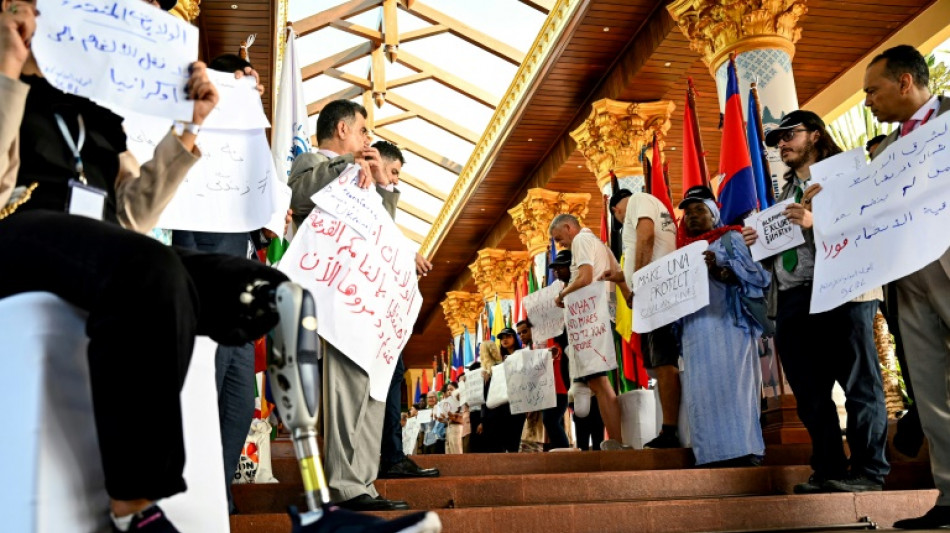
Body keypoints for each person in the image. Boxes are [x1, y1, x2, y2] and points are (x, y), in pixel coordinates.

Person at [0, 1, 319, 531]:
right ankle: (134, 506)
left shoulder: (94, 110)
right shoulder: (6, 82)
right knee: (150, 271)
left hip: (103, 249)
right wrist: (8, 68)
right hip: (18, 236)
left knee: (271, 292)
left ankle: (318, 503)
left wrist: (188, 128)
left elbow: (131, 214)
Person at [742, 109, 889, 494]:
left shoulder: (848, 174)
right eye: (776, 141)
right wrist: (760, 244)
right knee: (809, 392)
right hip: (792, 298)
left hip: (843, 288)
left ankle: (869, 472)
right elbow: (782, 248)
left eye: (790, 135)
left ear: (816, 135)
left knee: (859, 383)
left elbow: (870, 223)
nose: (782, 144)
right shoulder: (784, 193)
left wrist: (814, 223)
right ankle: (828, 468)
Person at [287, 101, 409, 511]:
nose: (367, 139)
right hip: (332, 297)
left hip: (366, 297)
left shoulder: (363, 176)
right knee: (343, 393)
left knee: (370, 389)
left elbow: (383, 231)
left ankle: (364, 481)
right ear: (342, 129)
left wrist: (382, 183)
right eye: (362, 131)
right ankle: (345, 485)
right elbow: (299, 197)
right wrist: (347, 165)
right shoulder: (310, 161)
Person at [862, 44, 950, 529]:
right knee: (931, 391)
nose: (868, 103)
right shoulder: (885, 153)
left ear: (904, 82)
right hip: (907, 281)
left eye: (872, 90)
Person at [673, 188, 769, 467]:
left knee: (735, 390)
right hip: (694, 332)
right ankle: (710, 456)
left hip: (730, 328)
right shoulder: (681, 255)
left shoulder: (732, 239)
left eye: (698, 210)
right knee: (701, 395)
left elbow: (760, 277)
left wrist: (723, 270)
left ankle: (746, 450)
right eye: (687, 213)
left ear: (713, 214)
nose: (691, 217)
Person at [375, 140, 438, 480]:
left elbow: (384, 237)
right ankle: (386, 457)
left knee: (394, 378)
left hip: (384, 316)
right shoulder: (354, 193)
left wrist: (406, 254)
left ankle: (392, 455)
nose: (396, 181)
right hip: (364, 313)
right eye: (394, 171)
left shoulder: (377, 202)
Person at [608, 188, 681, 449]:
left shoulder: (639, 201)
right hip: (657, 292)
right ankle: (669, 427)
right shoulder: (652, 203)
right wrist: (622, 277)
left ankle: (670, 430)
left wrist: (636, 281)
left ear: (617, 211)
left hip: (656, 293)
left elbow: (647, 236)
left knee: (663, 362)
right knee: (660, 363)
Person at [549, 213, 623, 450]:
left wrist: (562, 294)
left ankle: (618, 442)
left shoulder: (581, 240)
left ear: (569, 227)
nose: (561, 244)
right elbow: (617, 272)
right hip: (602, 316)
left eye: (559, 238)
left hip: (592, 320)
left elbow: (585, 276)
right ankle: (616, 441)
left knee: (600, 385)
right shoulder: (598, 243)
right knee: (599, 384)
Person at [517, 318, 570, 450]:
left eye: (525, 331)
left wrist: (551, 353)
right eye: (519, 333)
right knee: (551, 424)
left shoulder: (552, 343)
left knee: (551, 421)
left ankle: (565, 454)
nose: (521, 335)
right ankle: (561, 454)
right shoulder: (529, 351)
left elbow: (556, 352)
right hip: (546, 393)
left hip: (558, 391)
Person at [479, 335, 526, 453]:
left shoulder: (501, 366)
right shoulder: (487, 370)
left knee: (506, 444)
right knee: (505, 444)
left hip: (505, 410)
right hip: (500, 410)